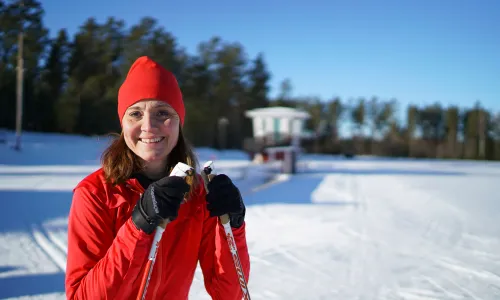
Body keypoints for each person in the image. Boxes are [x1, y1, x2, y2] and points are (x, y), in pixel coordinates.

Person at [65, 56, 250, 299]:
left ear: (179, 123)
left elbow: (230, 293)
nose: (148, 126)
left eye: (162, 112)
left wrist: (233, 225)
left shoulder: (197, 194)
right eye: (135, 114)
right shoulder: (95, 194)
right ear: (123, 124)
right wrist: (138, 225)